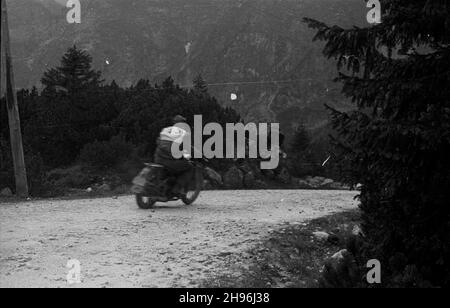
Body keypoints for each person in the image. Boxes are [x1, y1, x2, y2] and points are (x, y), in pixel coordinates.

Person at [154, 115, 193, 197]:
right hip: (170, 160)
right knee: (188, 167)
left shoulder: (166, 129)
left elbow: (158, 141)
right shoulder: (184, 133)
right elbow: (187, 147)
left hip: (158, 158)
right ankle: (176, 189)